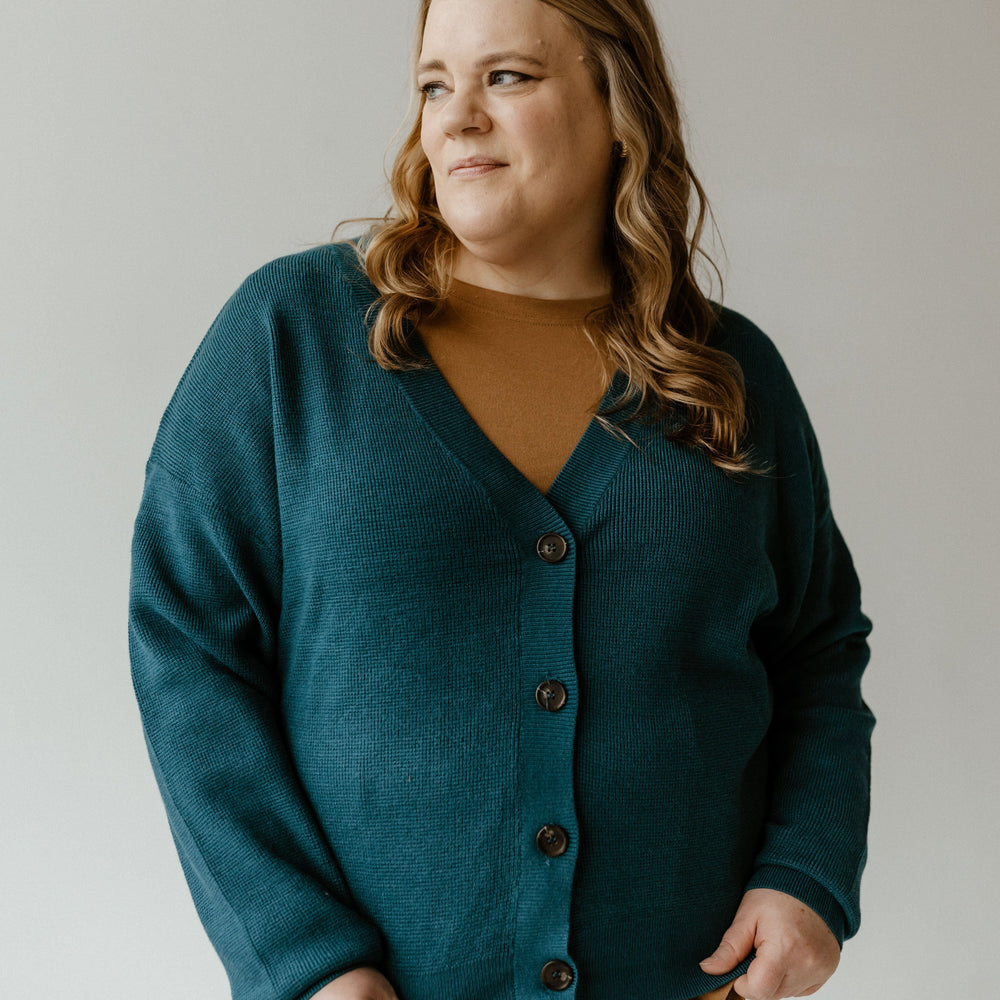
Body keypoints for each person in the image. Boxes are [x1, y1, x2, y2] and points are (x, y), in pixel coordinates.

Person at [128, 0, 874, 998]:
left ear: (619, 102)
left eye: (507, 77)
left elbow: (815, 647)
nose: (456, 117)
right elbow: (190, 654)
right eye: (436, 83)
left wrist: (807, 878)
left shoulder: (727, 375)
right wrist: (304, 960)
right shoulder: (292, 337)